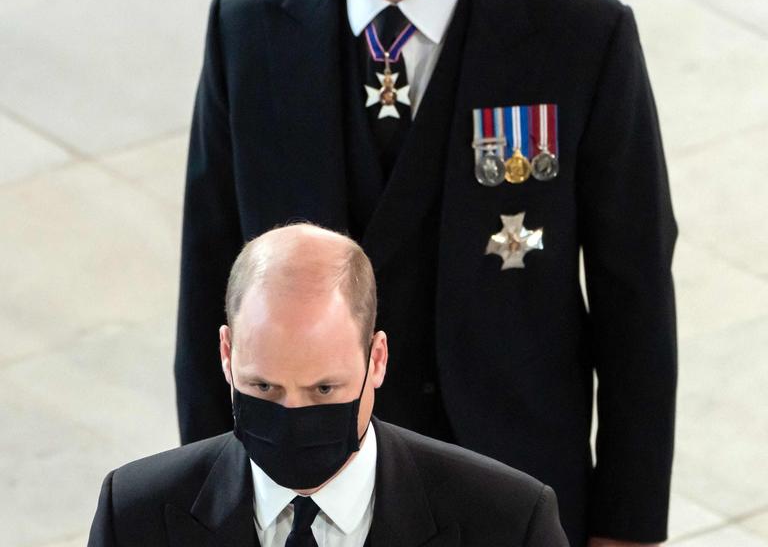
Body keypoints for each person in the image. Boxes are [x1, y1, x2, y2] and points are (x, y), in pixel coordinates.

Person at [174, 0, 677, 545]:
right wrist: (204, 496)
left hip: (508, 486)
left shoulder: (578, 38)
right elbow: (210, 276)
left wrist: (628, 527)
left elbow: (634, 294)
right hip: (303, 486)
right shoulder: (249, 29)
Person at [89, 225, 568, 546]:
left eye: (323, 390)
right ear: (227, 355)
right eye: (264, 389)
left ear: (376, 359)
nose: (292, 418)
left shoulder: (508, 523)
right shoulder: (134, 515)